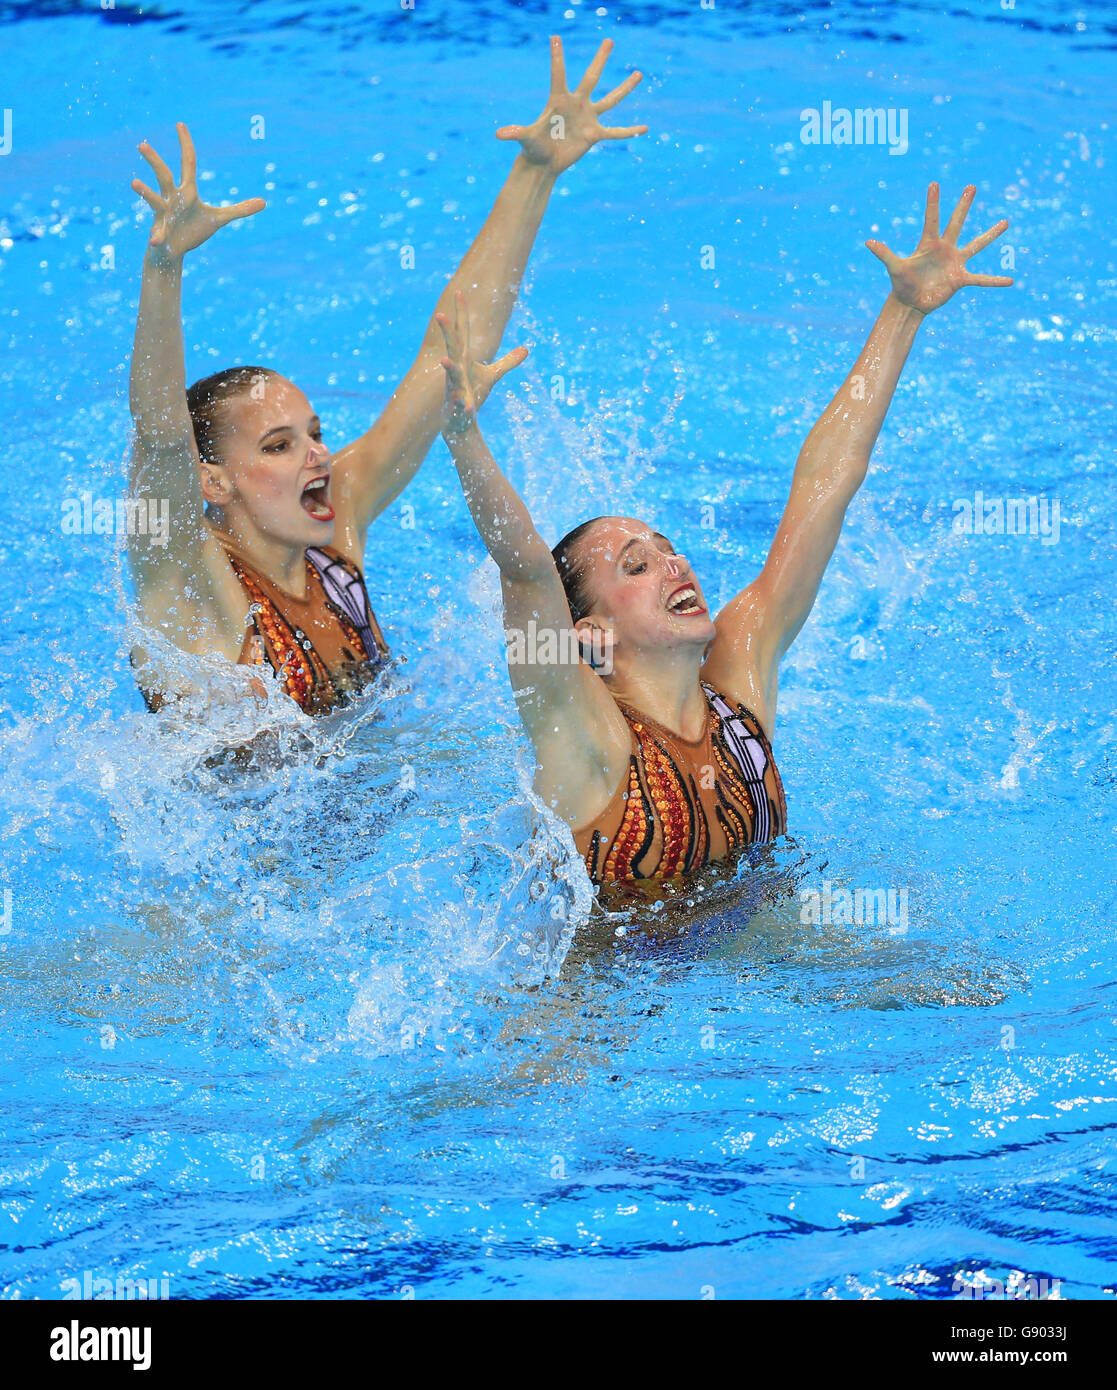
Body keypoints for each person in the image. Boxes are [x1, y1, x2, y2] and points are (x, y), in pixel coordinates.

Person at [436, 183, 1012, 897]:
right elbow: (523, 572)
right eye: (636, 565)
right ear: (589, 634)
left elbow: (825, 487)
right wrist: (462, 436)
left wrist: (901, 313)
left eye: (666, 547)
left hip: (748, 942)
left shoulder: (739, 680)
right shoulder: (583, 738)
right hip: (606, 989)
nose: (673, 562)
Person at [125, 37, 647, 716]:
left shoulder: (336, 527)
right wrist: (164, 270)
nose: (317, 453)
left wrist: (535, 172)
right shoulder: (188, 579)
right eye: (277, 446)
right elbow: (162, 437)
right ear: (212, 480)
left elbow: (450, 354)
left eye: (312, 433)